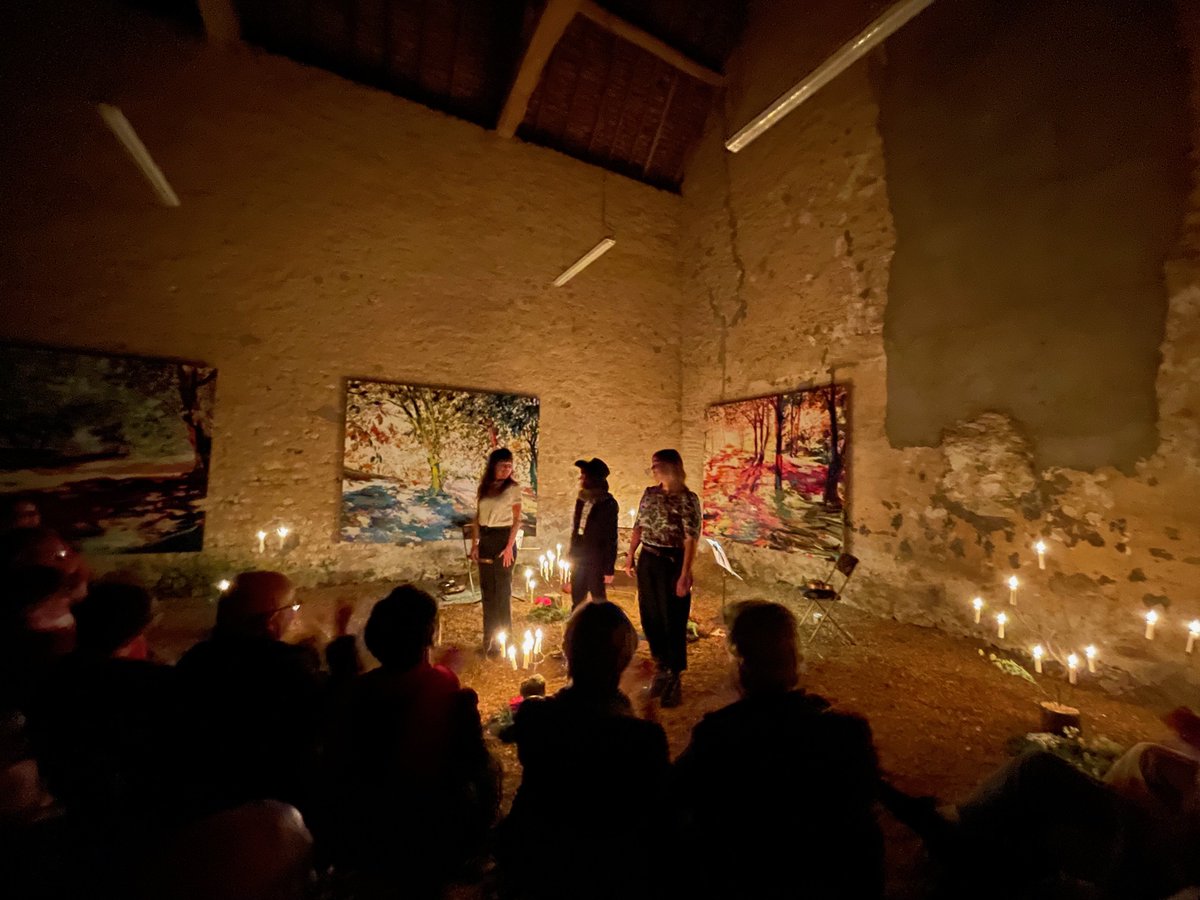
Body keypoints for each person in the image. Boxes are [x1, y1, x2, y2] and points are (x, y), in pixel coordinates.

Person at [671, 600, 883, 900]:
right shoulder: (844, 734)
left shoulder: (719, 736)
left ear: (738, 664)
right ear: (795, 659)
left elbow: (670, 801)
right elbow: (865, 841)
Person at [319, 585, 497, 897]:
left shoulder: (358, 692)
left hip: (363, 835)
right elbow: (475, 771)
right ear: (428, 637)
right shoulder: (443, 692)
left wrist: (342, 632)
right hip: (425, 835)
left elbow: (346, 679)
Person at [498, 600, 669, 900]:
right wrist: (646, 708)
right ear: (623, 660)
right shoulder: (643, 738)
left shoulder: (536, 718)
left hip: (541, 868)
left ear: (568, 652)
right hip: (612, 875)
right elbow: (661, 809)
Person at [175, 571, 322, 817]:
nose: (294, 613)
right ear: (272, 620)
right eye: (292, 606)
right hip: (277, 810)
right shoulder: (291, 669)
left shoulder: (196, 660)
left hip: (200, 803)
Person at [625, 448, 700, 707]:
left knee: (673, 617)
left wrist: (685, 573)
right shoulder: (650, 494)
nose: (654, 469)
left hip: (672, 562)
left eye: (658, 465)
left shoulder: (687, 499)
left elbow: (691, 538)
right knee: (650, 614)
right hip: (649, 559)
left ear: (672, 467)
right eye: (653, 465)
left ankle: (675, 674)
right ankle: (661, 666)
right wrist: (630, 554)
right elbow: (639, 525)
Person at [470, 448, 522, 653]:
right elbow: (477, 518)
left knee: (502, 591)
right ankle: (489, 640)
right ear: (494, 465)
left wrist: (509, 547)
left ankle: (506, 640)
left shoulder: (513, 489)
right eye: (503, 466)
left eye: (510, 466)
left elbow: (517, 520)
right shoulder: (484, 488)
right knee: (487, 592)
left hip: (504, 539)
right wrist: (475, 543)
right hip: (486, 539)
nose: (507, 470)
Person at [567, 457, 619, 608]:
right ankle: (577, 623)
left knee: (598, 597)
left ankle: (598, 626)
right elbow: (577, 530)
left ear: (592, 478)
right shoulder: (582, 499)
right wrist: (572, 552)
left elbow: (611, 537)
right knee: (577, 595)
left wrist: (609, 568)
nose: (581, 478)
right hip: (580, 556)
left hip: (596, 558)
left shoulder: (607, 503)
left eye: (584, 475)